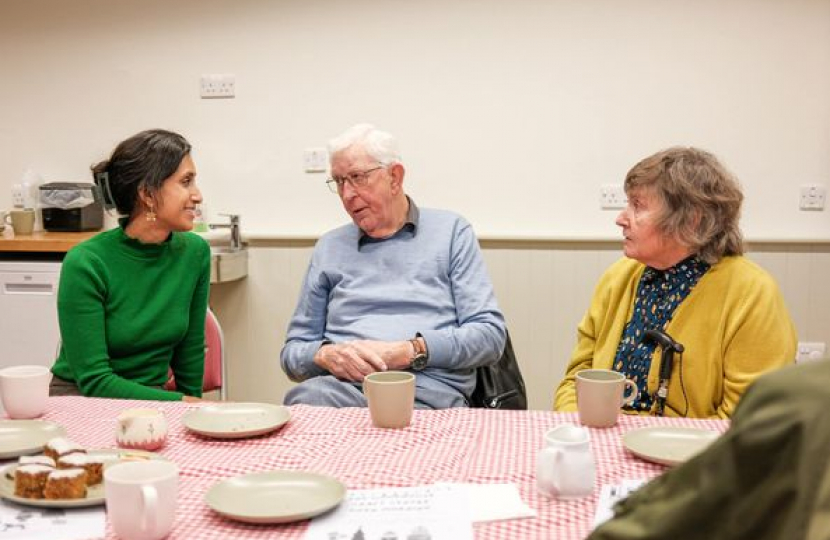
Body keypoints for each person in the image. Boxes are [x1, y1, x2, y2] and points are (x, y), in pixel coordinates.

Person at [554, 147, 796, 418]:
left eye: (637, 205)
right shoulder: (618, 277)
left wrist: (658, 446)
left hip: (695, 457)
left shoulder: (751, 293)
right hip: (604, 446)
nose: (620, 218)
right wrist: (583, 430)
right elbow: (575, 381)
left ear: (692, 221)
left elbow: (752, 419)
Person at [280, 123, 506, 409]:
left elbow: (489, 337)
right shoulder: (329, 247)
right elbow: (292, 354)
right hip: (339, 394)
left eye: (357, 177)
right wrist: (325, 356)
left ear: (395, 177)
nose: (347, 194)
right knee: (305, 405)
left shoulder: (451, 232)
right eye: (338, 182)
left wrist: (408, 351)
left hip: (426, 396)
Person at [588, 359, 830, 540]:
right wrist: (589, 418)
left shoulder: (798, 402)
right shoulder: (616, 290)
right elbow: (579, 373)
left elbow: (706, 498)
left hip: (694, 455)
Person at [50, 129, 210, 401]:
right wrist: (180, 403)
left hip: (155, 401)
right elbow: (94, 379)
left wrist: (192, 412)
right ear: (147, 194)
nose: (198, 195)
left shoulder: (195, 252)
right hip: (82, 400)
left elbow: (190, 351)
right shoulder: (87, 262)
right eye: (186, 182)